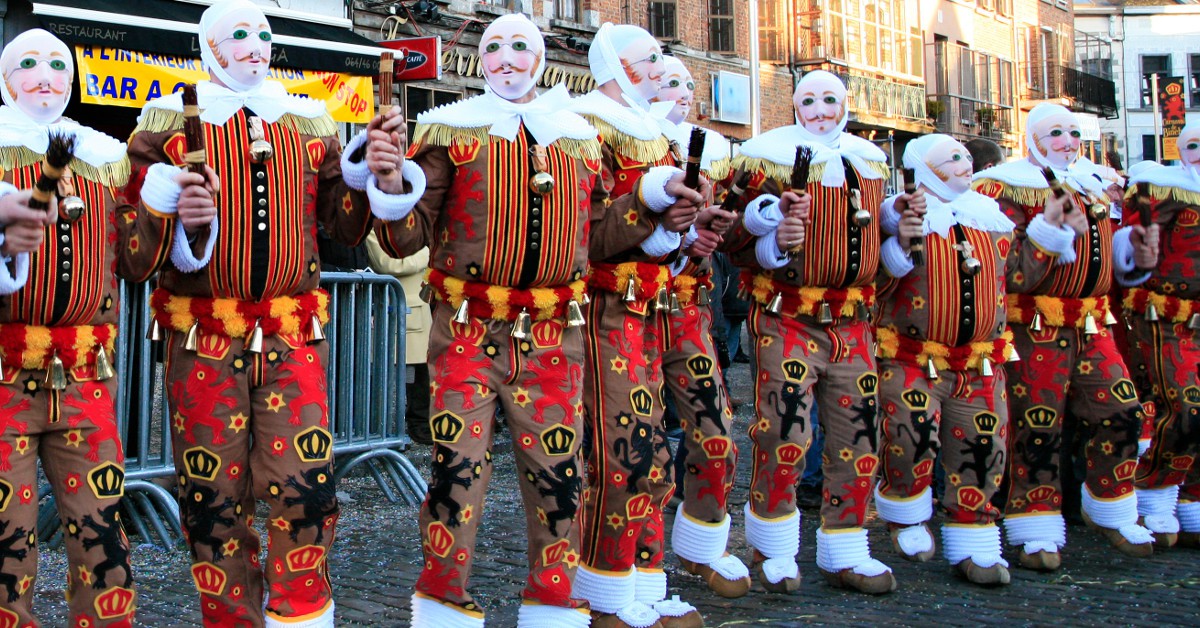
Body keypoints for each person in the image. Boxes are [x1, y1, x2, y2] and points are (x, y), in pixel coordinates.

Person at [373, 15, 695, 628]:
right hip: (467, 329)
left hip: (553, 333)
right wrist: (392, 186)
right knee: (455, 471)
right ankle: (443, 602)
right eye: (493, 47)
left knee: (558, 475)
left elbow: (597, 237)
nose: (505, 58)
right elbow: (406, 236)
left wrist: (652, 210)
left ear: (540, 57)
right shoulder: (451, 131)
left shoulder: (576, 138)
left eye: (520, 46)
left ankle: (552, 602)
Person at [120, 1, 407, 624]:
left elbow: (344, 225)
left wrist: (369, 170)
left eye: (264, 34)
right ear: (210, 48)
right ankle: (231, 618)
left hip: (292, 335)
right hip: (202, 339)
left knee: (305, 484)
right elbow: (133, 254)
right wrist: (173, 215)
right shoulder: (164, 127)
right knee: (211, 498)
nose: (257, 44)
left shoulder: (306, 123)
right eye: (239, 35)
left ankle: (302, 614)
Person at [724, 70, 895, 595]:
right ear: (794, 107)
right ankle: (774, 545)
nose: (819, 110)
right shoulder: (765, 156)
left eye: (829, 100)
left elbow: (880, 248)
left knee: (859, 432)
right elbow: (731, 238)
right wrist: (775, 234)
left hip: (854, 321)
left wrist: (900, 233)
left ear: (845, 104)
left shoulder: (870, 161)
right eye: (808, 101)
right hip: (786, 312)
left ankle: (847, 545)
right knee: (786, 432)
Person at [973, 103, 1157, 571]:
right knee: (1037, 427)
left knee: (1121, 411)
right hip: (1033, 325)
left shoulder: (1093, 185)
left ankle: (1110, 501)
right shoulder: (1006, 187)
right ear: (1034, 138)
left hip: (1093, 324)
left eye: (1073, 133)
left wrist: (1133, 255)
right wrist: (1049, 228)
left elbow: (1103, 262)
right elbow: (1009, 272)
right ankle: (1035, 523)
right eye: (1055, 133)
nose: (1067, 141)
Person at [569, 23, 708, 628]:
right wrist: (652, 207)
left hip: (652, 308)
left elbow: (655, 243)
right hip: (603, 311)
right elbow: (584, 234)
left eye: (659, 55)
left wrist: (683, 230)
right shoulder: (585, 128)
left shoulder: (658, 135)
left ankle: (642, 578)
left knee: (649, 451)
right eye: (645, 58)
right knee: (616, 451)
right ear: (614, 66)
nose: (659, 66)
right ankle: (603, 588)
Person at [0, 28, 135, 627]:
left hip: (87, 373)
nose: (47, 76)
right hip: (2, 375)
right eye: (29, 64)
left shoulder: (106, 158)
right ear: (5, 80)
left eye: (59, 65)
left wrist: (180, 215)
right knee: (6, 541)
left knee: (102, 532)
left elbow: (136, 257)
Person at [874, 135, 1018, 586]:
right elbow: (875, 283)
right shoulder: (903, 215)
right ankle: (907, 509)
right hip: (912, 354)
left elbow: (1016, 279)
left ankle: (974, 535)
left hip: (979, 360)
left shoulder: (990, 220)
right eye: (951, 160)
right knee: (910, 433)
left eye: (965, 158)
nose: (963, 165)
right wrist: (898, 245)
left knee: (983, 445)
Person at [650, 56, 750, 600]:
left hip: (689, 311)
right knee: (634, 447)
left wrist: (707, 241)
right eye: (669, 83)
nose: (683, 92)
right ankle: (630, 561)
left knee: (715, 432)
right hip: (627, 313)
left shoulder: (708, 158)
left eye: (688, 84)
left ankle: (703, 542)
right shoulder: (618, 142)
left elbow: (727, 241)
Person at [1123, 121, 1200, 549]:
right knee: (1188, 408)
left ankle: (1192, 498)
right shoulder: (1166, 187)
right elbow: (1136, 233)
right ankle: (1155, 488)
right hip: (1169, 316)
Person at [363, 235, 433, 445]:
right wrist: (428, 251)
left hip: (418, 308)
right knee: (385, 375)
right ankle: (382, 429)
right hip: (393, 307)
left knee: (420, 374)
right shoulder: (374, 231)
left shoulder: (417, 229)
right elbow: (389, 264)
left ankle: (419, 424)